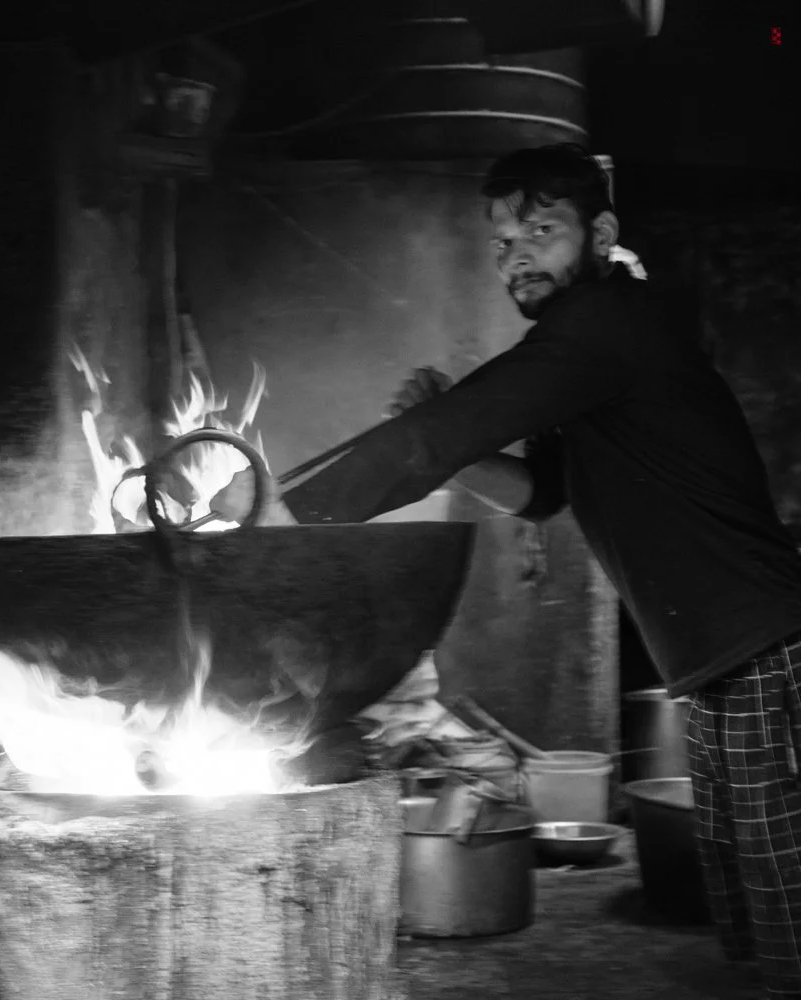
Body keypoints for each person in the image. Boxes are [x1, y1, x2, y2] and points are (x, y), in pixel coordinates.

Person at [210, 142, 801, 998]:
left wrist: (279, 507)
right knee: (759, 915)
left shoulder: (607, 324)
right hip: (722, 660)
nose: (516, 255)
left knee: (790, 912)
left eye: (541, 230)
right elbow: (541, 492)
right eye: (501, 242)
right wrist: (455, 448)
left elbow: (441, 432)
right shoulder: (593, 351)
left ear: (601, 233)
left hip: (763, 650)